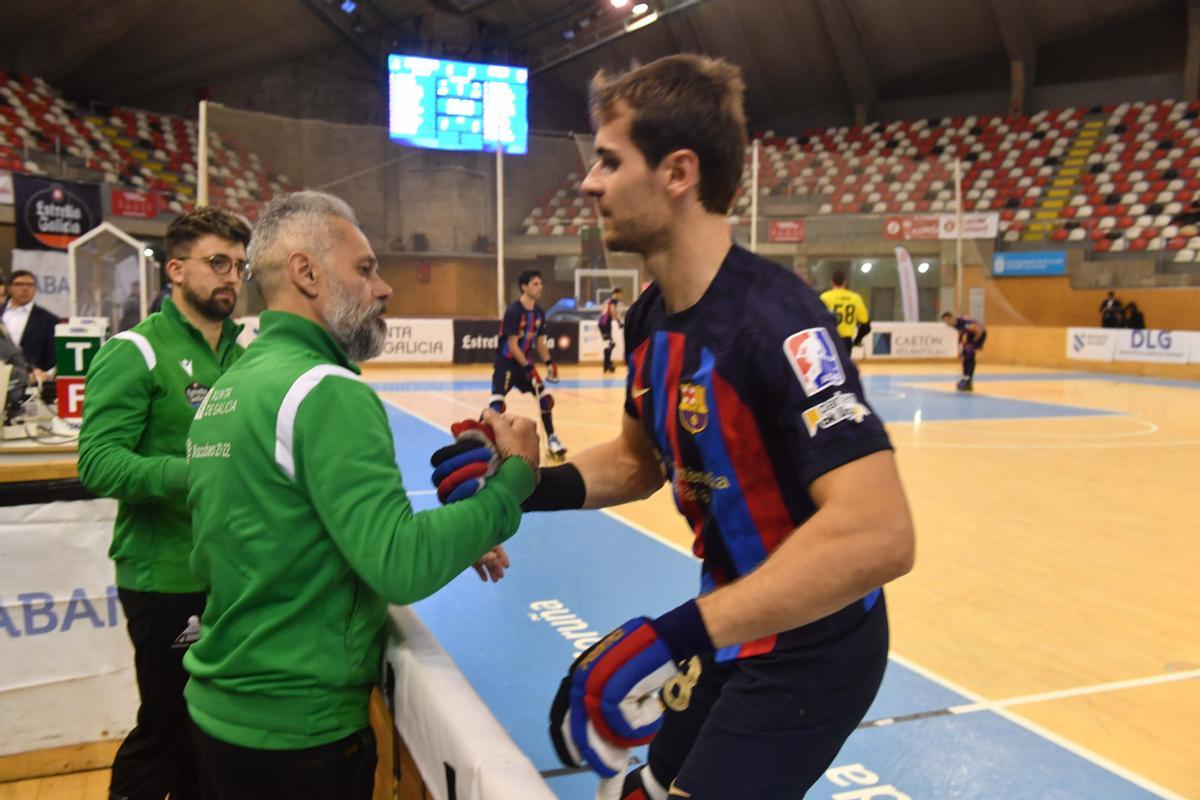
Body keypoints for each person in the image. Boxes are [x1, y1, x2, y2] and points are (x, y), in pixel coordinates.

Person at [513, 55, 914, 798]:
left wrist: (674, 638)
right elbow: (637, 465)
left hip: (813, 645)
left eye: (609, 160)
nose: (590, 182)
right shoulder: (650, 317)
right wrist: (520, 490)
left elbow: (878, 532)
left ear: (678, 173)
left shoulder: (775, 320)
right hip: (731, 623)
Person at [183, 191, 540, 800]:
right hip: (300, 735)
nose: (384, 288)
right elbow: (399, 563)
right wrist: (513, 483)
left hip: (222, 711)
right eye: (366, 268)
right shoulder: (328, 391)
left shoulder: (232, 383)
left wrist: (462, 536)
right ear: (307, 273)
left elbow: (287, 531)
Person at [77, 206, 253, 800]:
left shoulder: (243, 355)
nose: (231, 276)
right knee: (167, 730)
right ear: (175, 269)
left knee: (214, 733)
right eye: (217, 262)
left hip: (230, 575)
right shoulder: (136, 351)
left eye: (238, 265)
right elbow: (97, 461)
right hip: (164, 576)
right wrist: (197, 475)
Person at [490, 269, 567, 460]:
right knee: (497, 406)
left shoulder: (539, 313)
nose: (539, 287)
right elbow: (512, 345)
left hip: (525, 364)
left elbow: (540, 343)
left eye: (540, 283)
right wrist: (528, 367)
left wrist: (549, 363)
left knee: (545, 399)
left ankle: (552, 440)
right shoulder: (514, 311)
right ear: (524, 287)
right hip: (506, 363)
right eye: (535, 284)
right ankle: (484, 444)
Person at [1, 269, 58, 379]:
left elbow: (52, 355)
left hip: (33, 379)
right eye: (19, 284)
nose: (25, 288)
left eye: (30, 285)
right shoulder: (1, 313)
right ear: (9, 288)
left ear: (35, 289)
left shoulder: (48, 319)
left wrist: (45, 376)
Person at [820, 269, 871, 356]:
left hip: (829, 337)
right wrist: (857, 339)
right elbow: (864, 320)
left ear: (832, 282)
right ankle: (857, 342)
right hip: (846, 340)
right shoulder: (855, 298)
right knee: (845, 367)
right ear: (845, 281)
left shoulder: (824, 297)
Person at [941, 311, 987, 391]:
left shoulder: (964, 322)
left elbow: (978, 329)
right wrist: (959, 344)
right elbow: (961, 331)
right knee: (965, 356)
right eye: (945, 322)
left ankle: (969, 380)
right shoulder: (954, 324)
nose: (947, 323)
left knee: (970, 355)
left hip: (980, 333)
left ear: (952, 318)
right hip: (971, 334)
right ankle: (965, 378)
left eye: (947, 320)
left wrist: (974, 344)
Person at [598, 286, 624, 372]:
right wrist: (619, 322)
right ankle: (607, 363)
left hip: (603, 323)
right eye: (620, 295)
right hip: (605, 324)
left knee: (609, 343)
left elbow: (603, 310)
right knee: (610, 343)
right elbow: (613, 312)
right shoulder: (613, 301)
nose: (621, 296)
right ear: (616, 294)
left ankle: (607, 364)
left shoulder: (607, 300)